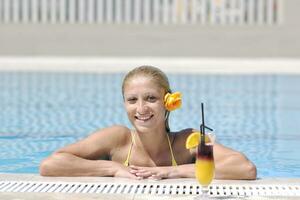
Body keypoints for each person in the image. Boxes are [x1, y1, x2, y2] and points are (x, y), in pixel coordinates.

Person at [40, 65, 257, 180]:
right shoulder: (118, 138)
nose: (141, 109)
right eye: (132, 100)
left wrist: (174, 171)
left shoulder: (188, 141)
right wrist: (112, 168)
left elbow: (244, 168)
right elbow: (51, 164)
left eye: (151, 98)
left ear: (167, 102)